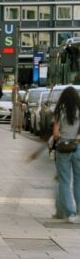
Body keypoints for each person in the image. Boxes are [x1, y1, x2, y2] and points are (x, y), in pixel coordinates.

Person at [52, 85, 80, 223]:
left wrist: (61, 136)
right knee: (78, 181)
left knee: (64, 181)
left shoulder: (60, 111)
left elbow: (55, 134)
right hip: (78, 145)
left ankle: (70, 213)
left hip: (63, 147)